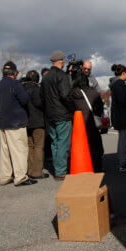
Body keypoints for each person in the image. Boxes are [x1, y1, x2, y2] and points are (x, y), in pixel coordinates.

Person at [0, 61, 35, 186]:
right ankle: (21, 177)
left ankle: (5, 176)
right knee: (19, 151)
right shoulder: (15, 84)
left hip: (2, 123)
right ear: (15, 73)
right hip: (16, 122)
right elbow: (24, 99)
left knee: (5, 152)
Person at [41, 51, 74, 180]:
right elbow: (65, 95)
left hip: (50, 115)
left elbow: (42, 97)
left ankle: (57, 168)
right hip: (62, 114)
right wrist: (72, 109)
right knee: (63, 143)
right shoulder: (61, 75)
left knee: (54, 142)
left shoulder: (46, 77)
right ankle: (61, 170)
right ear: (62, 61)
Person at [71, 74, 105, 172]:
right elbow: (99, 108)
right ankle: (97, 167)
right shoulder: (93, 93)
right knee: (95, 146)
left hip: (78, 124)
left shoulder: (72, 93)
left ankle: (81, 166)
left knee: (80, 147)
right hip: (91, 123)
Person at [22, 70, 48, 179]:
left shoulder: (22, 89)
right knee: (38, 146)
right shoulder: (36, 89)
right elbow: (39, 103)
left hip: (26, 121)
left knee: (30, 146)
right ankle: (37, 171)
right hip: (37, 121)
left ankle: (30, 169)